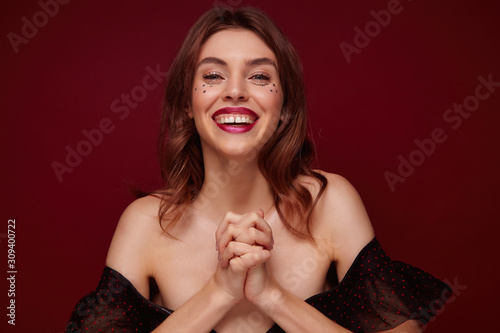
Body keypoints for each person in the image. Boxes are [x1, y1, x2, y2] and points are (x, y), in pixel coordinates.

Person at [66, 6, 451, 333]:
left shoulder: (330, 202)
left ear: (284, 106)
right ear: (187, 103)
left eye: (260, 76)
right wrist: (220, 291)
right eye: (213, 75)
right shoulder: (146, 223)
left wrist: (271, 295)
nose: (235, 91)